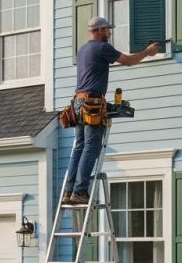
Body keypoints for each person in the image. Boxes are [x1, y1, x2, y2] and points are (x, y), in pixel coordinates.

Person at [63, 17, 160, 205]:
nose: (110, 32)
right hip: (92, 104)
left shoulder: (82, 50)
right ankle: (80, 191)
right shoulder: (102, 48)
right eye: (108, 29)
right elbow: (128, 61)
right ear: (100, 30)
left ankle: (69, 191)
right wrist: (148, 52)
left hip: (78, 103)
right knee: (92, 146)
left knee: (79, 147)